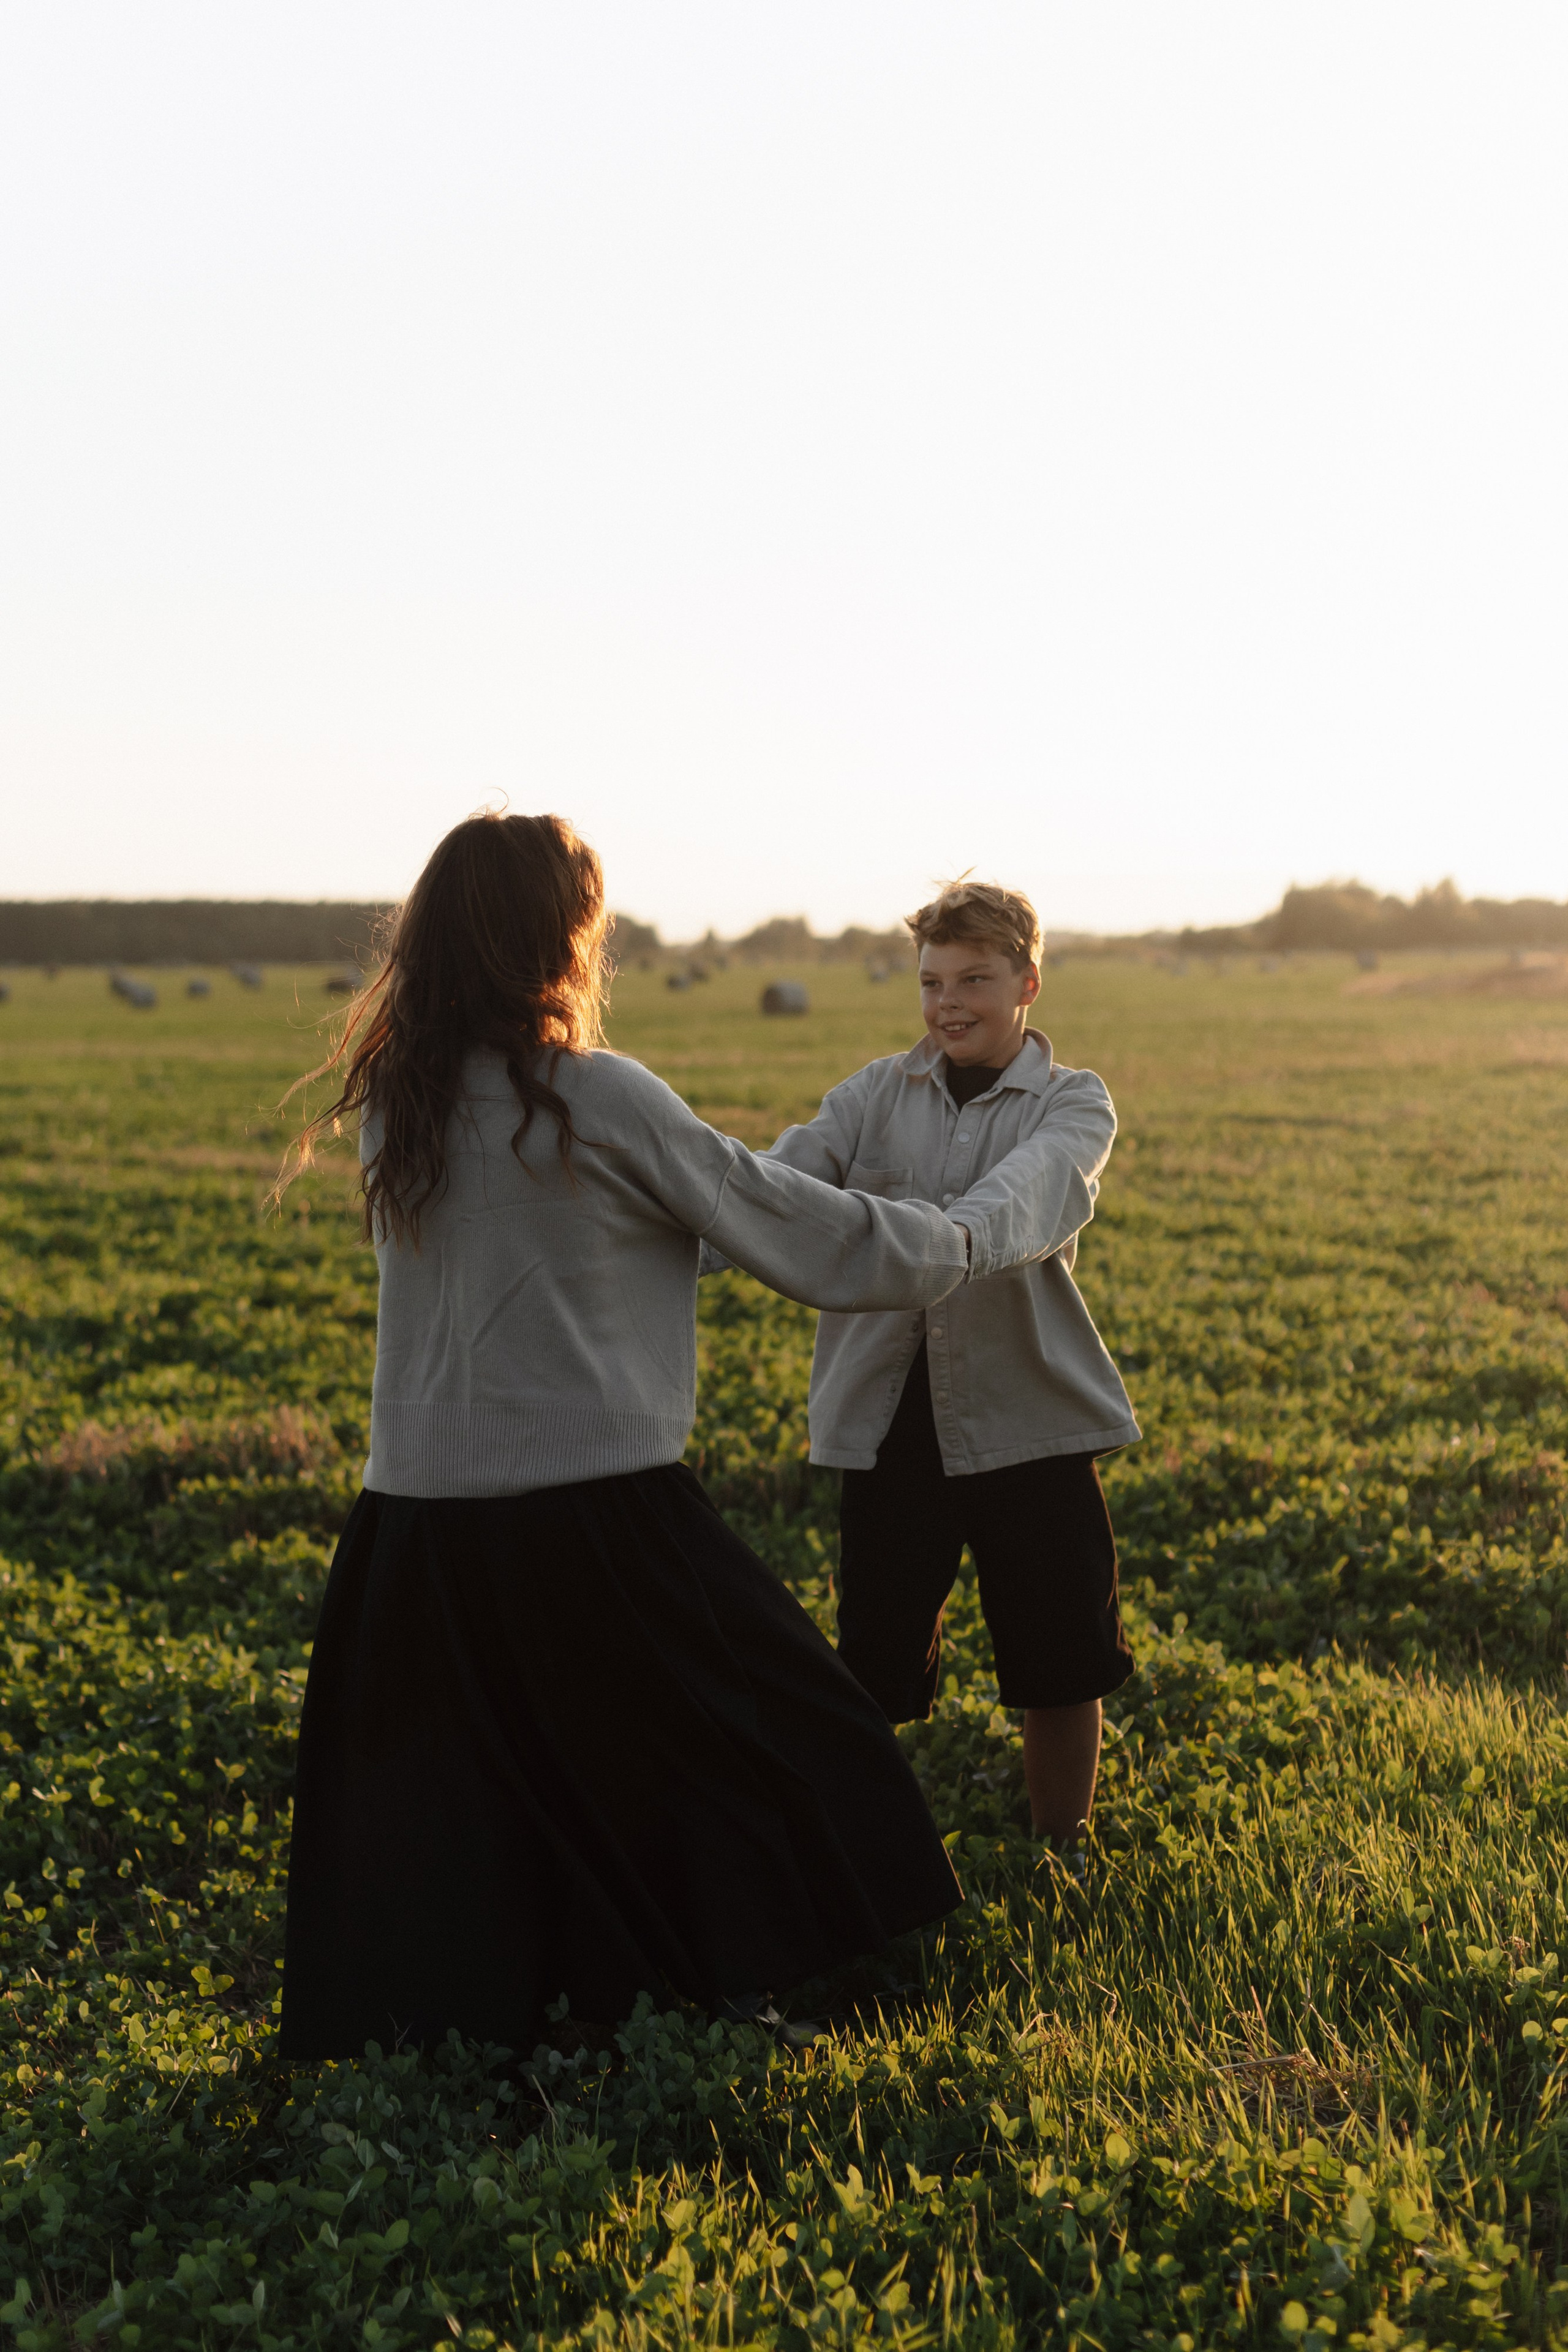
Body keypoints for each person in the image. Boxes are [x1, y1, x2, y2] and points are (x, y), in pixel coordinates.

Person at [274, 813, 989, 2062]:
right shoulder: (593, 1093)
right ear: (556, 939)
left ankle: (549, 2014)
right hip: (591, 1505)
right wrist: (968, 1239)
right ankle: (724, 1981)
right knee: (793, 1736)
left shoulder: (405, 1101)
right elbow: (793, 1233)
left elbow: (614, 1232)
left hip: (415, 1521)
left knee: (494, 1789)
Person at [709, 881, 1140, 1847]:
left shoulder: (1073, 1102)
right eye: (933, 981)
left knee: (1062, 1656)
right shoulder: (871, 1095)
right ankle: (868, 1853)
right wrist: (683, 1235)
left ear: (1028, 981)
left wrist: (940, 1239)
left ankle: (1061, 1849)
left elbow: (1034, 1194)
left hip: (1030, 1419)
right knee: (872, 1661)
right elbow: (783, 1183)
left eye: (975, 980)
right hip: (889, 1422)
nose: (950, 1003)